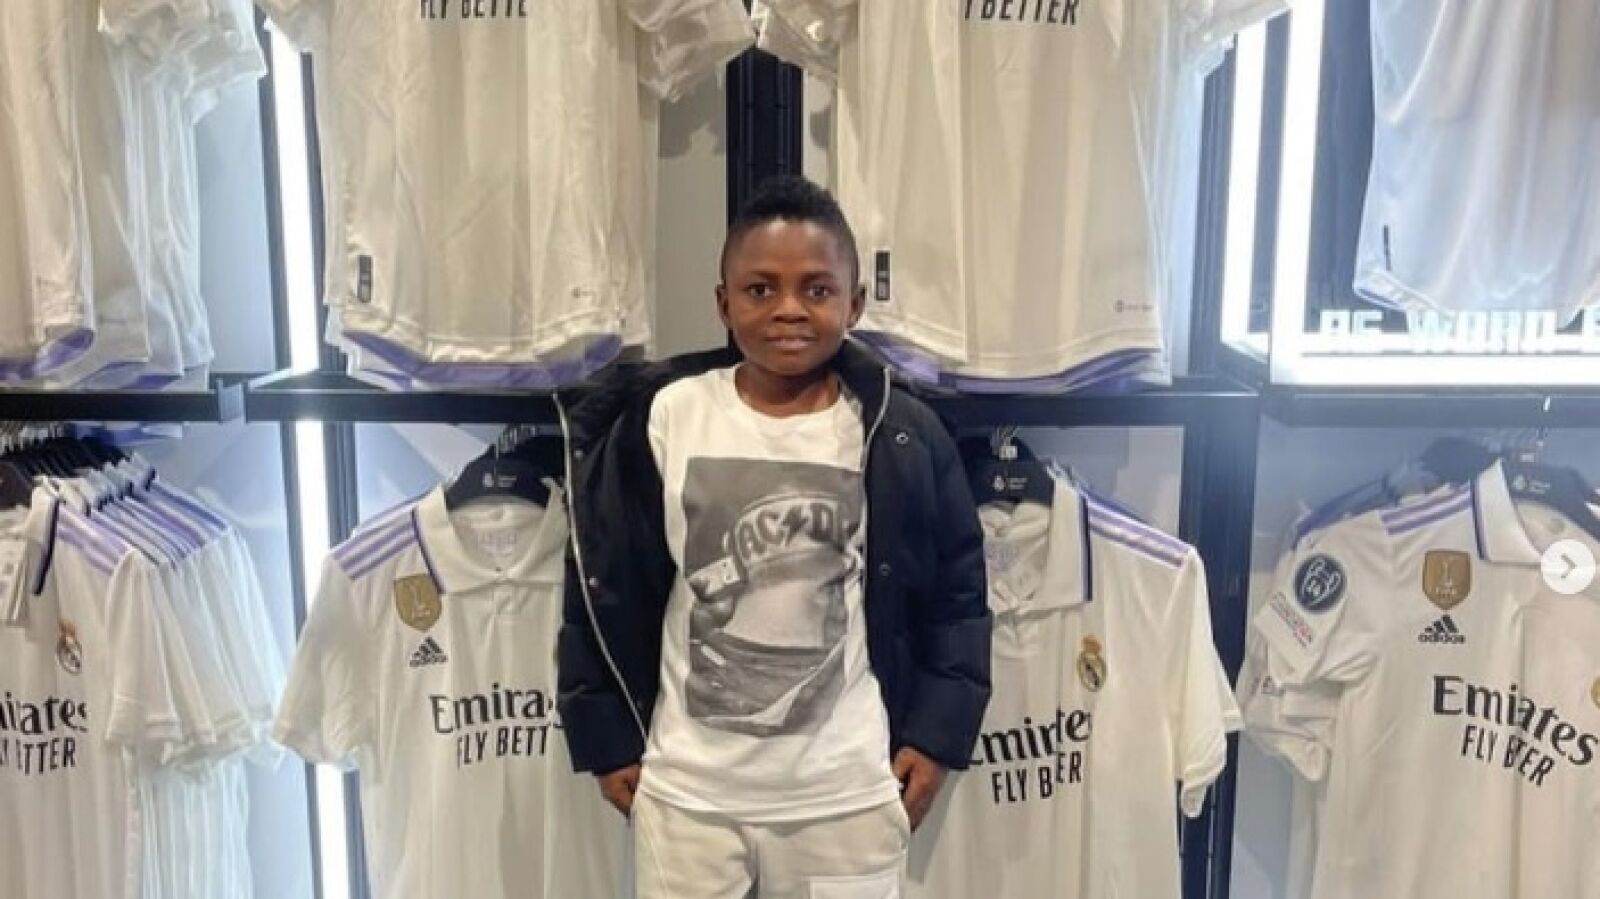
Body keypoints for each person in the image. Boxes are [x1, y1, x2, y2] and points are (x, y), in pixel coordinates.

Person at [556, 175, 991, 898]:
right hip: (689, 794)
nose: (789, 308)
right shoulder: (665, 417)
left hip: (845, 793)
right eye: (760, 289)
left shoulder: (899, 433)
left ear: (855, 303)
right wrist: (604, 734)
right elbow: (603, 582)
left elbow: (958, 594)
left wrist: (939, 733)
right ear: (723, 302)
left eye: (817, 289)